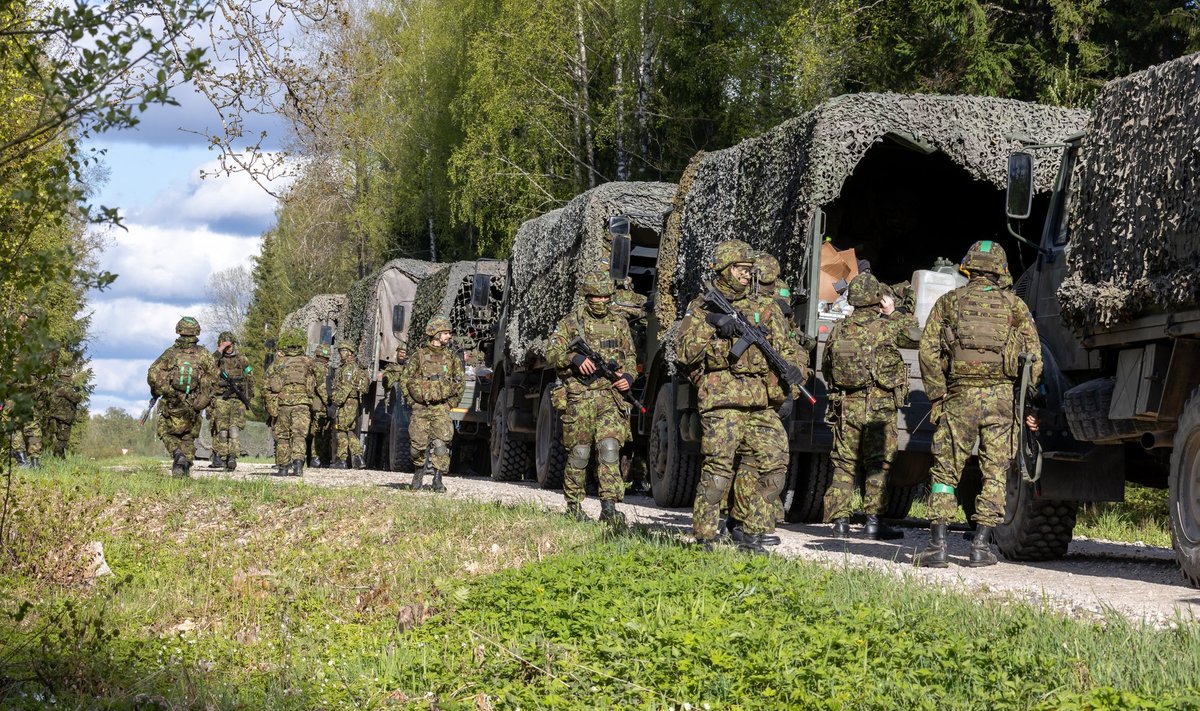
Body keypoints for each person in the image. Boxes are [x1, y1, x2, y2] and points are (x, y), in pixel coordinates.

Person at [914, 241, 1041, 568]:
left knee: (945, 470)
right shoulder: (1015, 307)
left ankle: (938, 545)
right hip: (1000, 400)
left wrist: (938, 393)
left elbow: (927, 353)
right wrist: (1025, 402)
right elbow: (1034, 361)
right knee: (996, 471)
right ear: (1000, 269)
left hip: (959, 397)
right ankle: (981, 547)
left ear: (968, 267)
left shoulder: (948, 303)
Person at [677, 240, 804, 553]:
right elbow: (683, 353)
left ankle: (751, 532)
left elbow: (789, 349)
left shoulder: (765, 308)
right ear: (724, 269)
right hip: (722, 401)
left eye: (750, 270)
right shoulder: (704, 307)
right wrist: (713, 326)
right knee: (718, 472)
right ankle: (705, 536)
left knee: (775, 466)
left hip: (760, 402)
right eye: (741, 269)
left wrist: (794, 378)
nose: (747, 275)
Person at [822, 273, 920, 540]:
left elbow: (827, 367)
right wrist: (894, 312)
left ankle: (840, 522)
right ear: (877, 299)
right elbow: (915, 335)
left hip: (846, 404)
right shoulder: (885, 327)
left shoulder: (839, 329)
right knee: (877, 463)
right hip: (878, 404)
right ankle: (873, 522)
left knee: (843, 463)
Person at [544, 273, 637, 524]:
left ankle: (609, 507)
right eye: (596, 296)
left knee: (609, 449)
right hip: (580, 398)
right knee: (580, 453)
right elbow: (551, 352)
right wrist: (573, 359)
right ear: (587, 297)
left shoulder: (619, 323)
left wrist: (627, 376)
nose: (601, 301)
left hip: (610, 397)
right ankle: (573, 505)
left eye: (606, 297)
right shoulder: (570, 323)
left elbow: (630, 355)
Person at [399, 317, 464, 491]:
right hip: (420, 408)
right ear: (435, 334)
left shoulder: (451, 358)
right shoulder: (418, 356)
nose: (448, 336)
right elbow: (405, 379)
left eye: (448, 333)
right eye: (445, 333)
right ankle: (418, 473)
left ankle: (437, 479)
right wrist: (412, 400)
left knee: (441, 444)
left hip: (441, 408)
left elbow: (459, 382)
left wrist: (450, 403)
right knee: (416, 447)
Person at [147, 317, 217, 477]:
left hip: (172, 401)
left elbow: (152, 373)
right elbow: (214, 377)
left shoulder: (171, 353)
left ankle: (178, 456)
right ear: (196, 332)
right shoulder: (204, 354)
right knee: (189, 437)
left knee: (164, 431)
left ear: (179, 331)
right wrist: (204, 399)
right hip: (194, 403)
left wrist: (161, 390)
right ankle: (183, 465)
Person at [265, 329, 318, 477]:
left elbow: (267, 384)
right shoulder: (309, 361)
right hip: (302, 404)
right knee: (299, 435)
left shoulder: (278, 363)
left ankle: (282, 468)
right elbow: (320, 379)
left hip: (283, 404)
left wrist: (270, 405)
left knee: (283, 436)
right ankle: (298, 465)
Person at [210, 331, 253, 471]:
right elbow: (207, 366)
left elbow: (250, 378)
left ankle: (232, 456)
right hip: (221, 399)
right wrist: (219, 350)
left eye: (230, 345)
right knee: (222, 430)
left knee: (234, 429)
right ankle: (222, 457)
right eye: (225, 345)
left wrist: (247, 398)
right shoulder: (217, 359)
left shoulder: (242, 359)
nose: (228, 347)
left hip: (237, 399)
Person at [329, 342, 369, 469]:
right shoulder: (352, 366)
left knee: (340, 429)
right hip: (350, 402)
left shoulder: (348, 368)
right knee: (349, 431)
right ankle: (358, 458)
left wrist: (335, 404)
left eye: (343, 351)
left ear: (349, 352)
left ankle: (342, 460)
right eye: (340, 351)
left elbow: (346, 387)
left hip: (346, 402)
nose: (341, 353)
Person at [307, 343, 333, 468]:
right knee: (321, 431)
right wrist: (329, 403)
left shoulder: (309, 365)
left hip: (308, 403)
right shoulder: (321, 368)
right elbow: (322, 387)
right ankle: (317, 458)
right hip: (320, 405)